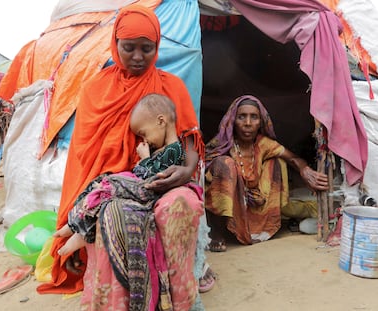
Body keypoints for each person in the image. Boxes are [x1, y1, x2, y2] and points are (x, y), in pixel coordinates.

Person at [38, 5, 206, 311]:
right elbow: (85, 159)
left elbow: (189, 142)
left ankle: (180, 300)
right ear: (114, 44)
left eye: (147, 48)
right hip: (114, 185)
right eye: (129, 48)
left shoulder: (172, 87)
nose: (138, 57)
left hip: (165, 180)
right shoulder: (96, 89)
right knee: (112, 214)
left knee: (182, 204)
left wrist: (186, 171)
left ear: (158, 47)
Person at [53, 93, 186, 256]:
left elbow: (156, 176)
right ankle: (76, 223)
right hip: (141, 188)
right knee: (102, 180)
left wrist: (145, 159)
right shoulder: (163, 149)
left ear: (161, 121)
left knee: (110, 185)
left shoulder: (174, 149)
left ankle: (79, 229)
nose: (144, 140)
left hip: (149, 193)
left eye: (144, 134)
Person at [204, 95, 329, 251]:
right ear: (232, 121)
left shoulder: (263, 144)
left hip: (254, 200)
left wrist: (305, 170)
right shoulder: (222, 144)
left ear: (261, 122)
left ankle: (262, 225)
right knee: (224, 164)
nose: (248, 123)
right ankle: (216, 231)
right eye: (241, 117)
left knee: (276, 161)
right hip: (229, 204)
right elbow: (203, 172)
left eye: (254, 117)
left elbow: (292, 158)